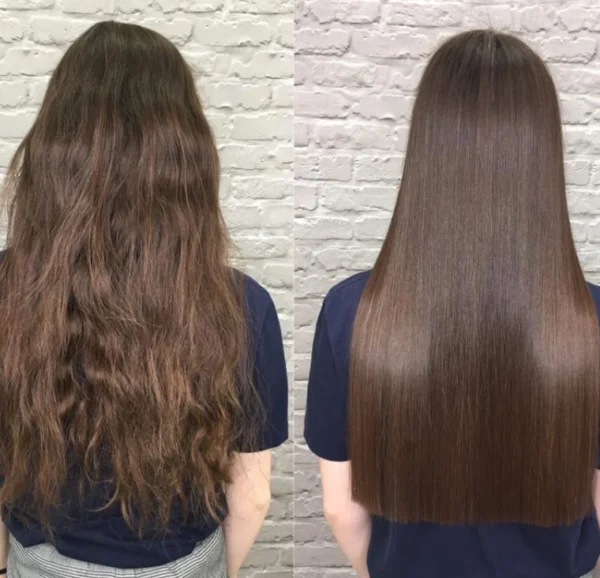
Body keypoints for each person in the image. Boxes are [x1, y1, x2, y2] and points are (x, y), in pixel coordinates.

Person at [304, 29, 600, 578]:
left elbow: (339, 507)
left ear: (427, 146)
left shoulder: (352, 312)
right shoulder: (590, 322)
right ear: (543, 153)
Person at [0, 21, 288, 578]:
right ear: (187, 158)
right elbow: (252, 495)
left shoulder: (7, 289)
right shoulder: (242, 306)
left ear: (55, 151)